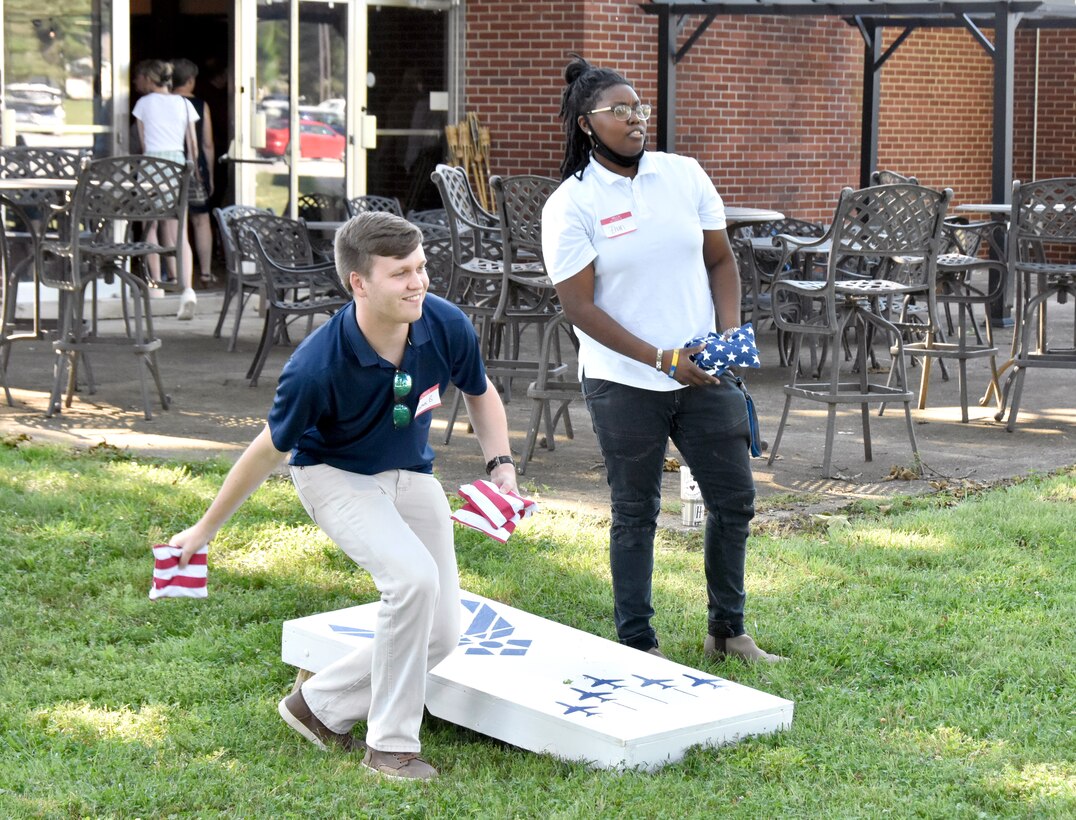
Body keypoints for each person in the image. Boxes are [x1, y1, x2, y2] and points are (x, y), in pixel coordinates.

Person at [169, 211, 520, 780]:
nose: (419, 282)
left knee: (442, 630)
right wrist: (205, 529)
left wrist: (500, 463)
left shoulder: (445, 324)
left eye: (421, 267)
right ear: (359, 283)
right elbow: (266, 449)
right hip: (333, 475)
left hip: (410, 473)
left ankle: (317, 706)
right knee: (412, 581)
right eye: (401, 273)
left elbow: (481, 393)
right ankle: (390, 748)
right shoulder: (316, 365)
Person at [540, 56, 784, 664]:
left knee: (734, 500)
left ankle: (728, 631)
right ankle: (637, 644)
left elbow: (721, 261)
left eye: (639, 107)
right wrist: (659, 359)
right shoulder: (570, 204)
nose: (635, 118)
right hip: (623, 380)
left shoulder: (684, 174)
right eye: (618, 110)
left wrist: (727, 338)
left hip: (704, 371)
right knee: (636, 510)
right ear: (585, 125)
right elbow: (580, 307)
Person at [131, 59, 198, 319]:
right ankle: (187, 288)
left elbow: (143, 140)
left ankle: (155, 285)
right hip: (178, 165)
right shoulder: (184, 103)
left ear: (148, 78)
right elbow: (191, 143)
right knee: (178, 229)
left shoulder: (143, 104)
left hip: (152, 165)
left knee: (151, 226)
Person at [171, 58, 216, 285]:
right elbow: (207, 143)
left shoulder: (165, 103)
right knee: (201, 220)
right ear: (190, 80)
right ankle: (206, 272)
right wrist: (210, 174)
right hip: (195, 168)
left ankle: (177, 274)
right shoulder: (199, 105)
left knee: (173, 223)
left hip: (170, 169)